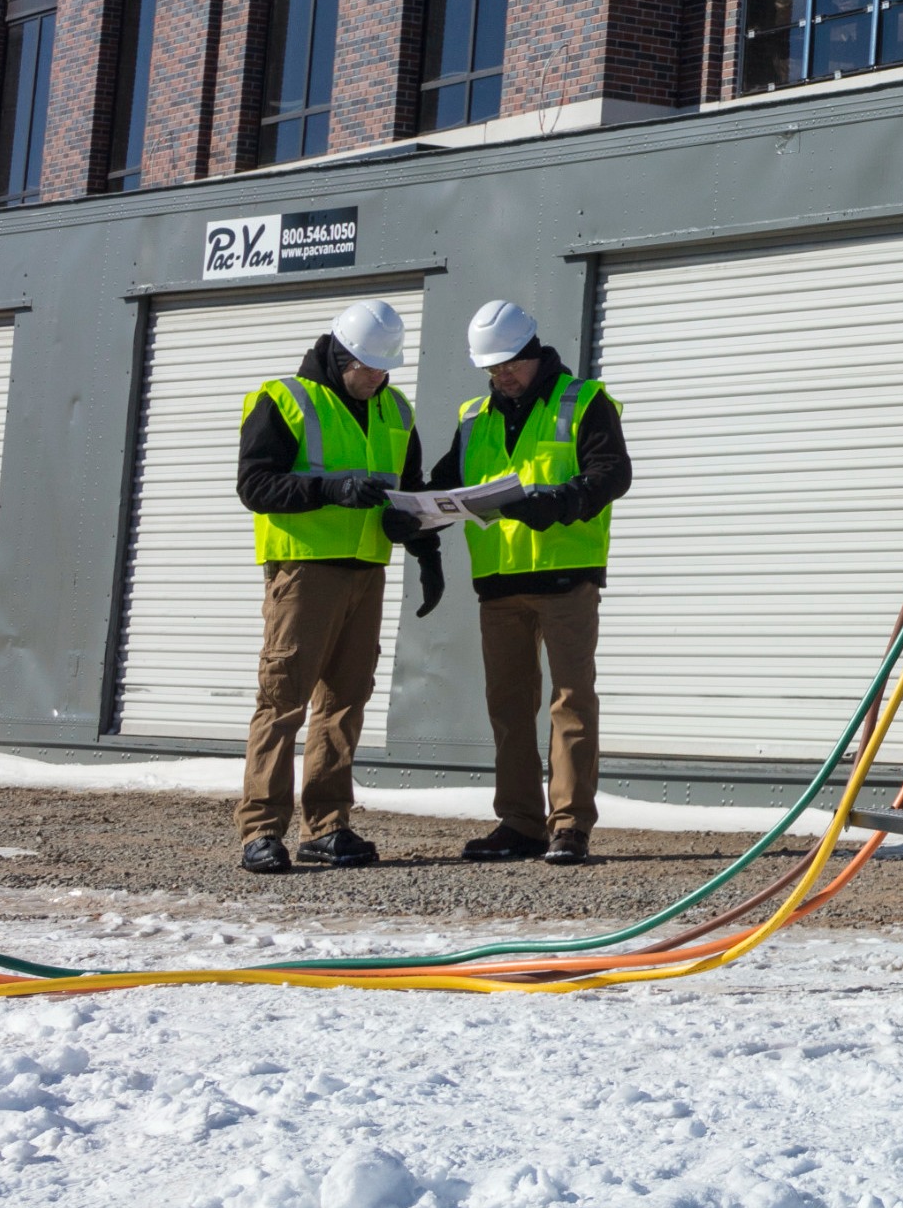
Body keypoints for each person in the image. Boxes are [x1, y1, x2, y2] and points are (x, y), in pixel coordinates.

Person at [231, 298, 428, 875]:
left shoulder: (395, 408)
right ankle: (262, 830)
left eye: (383, 369)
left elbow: (408, 490)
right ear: (339, 355)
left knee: (345, 702)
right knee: (283, 699)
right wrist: (329, 490)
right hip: (304, 571)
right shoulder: (284, 400)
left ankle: (328, 825)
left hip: (367, 570)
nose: (376, 379)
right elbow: (255, 485)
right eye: (366, 368)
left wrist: (411, 527)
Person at [450, 299, 633, 866]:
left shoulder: (584, 401)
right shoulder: (473, 416)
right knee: (508, 706)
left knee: (571, 702)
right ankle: (520, 822)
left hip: (564, 579)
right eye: (492, 367)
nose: (502, 374)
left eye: (510, 362)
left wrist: (558, 502)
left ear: (533, 350)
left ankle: (570, 825)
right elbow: (446, 484)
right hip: (499, 582)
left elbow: (612, 474)